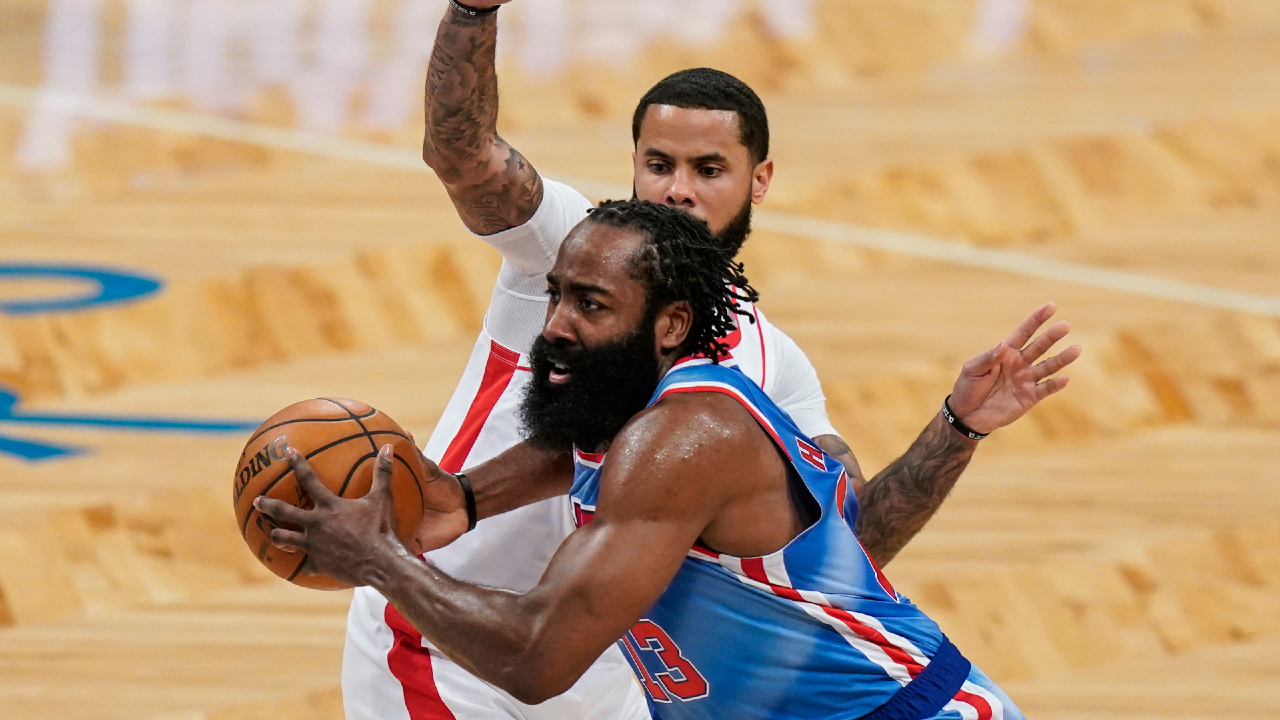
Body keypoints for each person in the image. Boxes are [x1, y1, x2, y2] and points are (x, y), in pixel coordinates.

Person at [340, 1, 1080, 719]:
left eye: (709, 169)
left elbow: (846, 550)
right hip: (441, 629)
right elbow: (462, 154)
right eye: (659, 164)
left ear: (759, 180)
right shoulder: (578, 245)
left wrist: (955, 428)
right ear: (632, 164)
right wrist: (473, 12)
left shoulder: (770, 364)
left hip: (611, 663)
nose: (679, 190)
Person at [256, 200, 1058, 719]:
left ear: (671, 325)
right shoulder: (631, 414)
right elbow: (564, 444)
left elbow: (539, 659)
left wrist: (381, 560)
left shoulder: (683, 440)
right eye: (558, 296)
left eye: (591, 304)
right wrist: (462, 498)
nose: (557, 325)